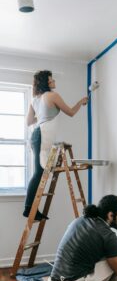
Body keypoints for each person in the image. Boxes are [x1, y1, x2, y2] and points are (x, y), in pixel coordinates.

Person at [23, 70, 88, 221]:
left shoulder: (35, 99)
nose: (54, 82)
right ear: (46, 82)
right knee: (39, 172)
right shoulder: (52, 96)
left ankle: (31, 209)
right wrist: (81, 102)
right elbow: (71, 112)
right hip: (42, 135)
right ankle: (29, 209)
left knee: (40, 171)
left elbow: (29, 122)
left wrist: (42, 115)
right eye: (51, 80)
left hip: (37, 135)